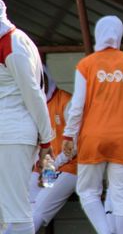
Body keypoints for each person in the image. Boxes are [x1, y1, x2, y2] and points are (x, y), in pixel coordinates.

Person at [62, 15, 123, 234]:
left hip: (92, 138)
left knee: (87, 191)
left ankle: (106, 232)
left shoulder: (85, 65)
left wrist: (69, 135)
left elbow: (77, 106)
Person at [0, 0, 54, 234]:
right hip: (11, 133)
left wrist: (47, 140)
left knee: (17, 212)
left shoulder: (9, 43)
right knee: (7, 212)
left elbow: (33, 95)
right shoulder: (14, 39)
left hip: (11, 134)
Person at [30, 66, 79, 232]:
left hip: (71, 168)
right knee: (22, 206)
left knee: (38, 209)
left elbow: (74, 148)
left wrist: (49, 170)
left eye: (40, 78)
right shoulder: (35, 107)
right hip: (49, 169)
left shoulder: (67, 102)